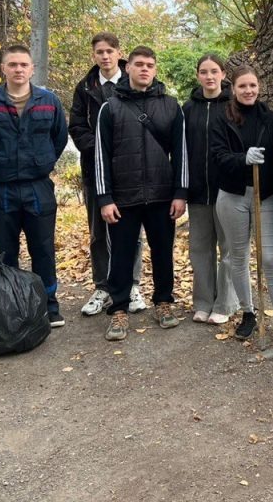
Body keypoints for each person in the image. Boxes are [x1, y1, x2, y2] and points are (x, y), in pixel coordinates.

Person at [95, 46, 188, 341]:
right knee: (121, 256)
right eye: (139, 64)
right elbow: (101, 156)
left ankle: (163, 302)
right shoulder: (110, 107)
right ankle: (119, 309)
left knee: (163, 252)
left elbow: (181, 153)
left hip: (162, 196)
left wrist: (180, 192)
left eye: (149, 65)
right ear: (129, 68)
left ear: (155, 69)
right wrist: (105, 198)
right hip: (124, 198)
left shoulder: (171, 106)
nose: (144, 69)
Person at [211, 66, 273, 352]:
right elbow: (217, 156)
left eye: (252, 85)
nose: (248, 90)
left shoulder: (271, 119)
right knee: (238, 257)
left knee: (272, 260)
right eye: (242, 86)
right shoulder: (221, 118)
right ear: (233, 88)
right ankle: (248, 313)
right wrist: (242, 159)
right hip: (232, 196)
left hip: (265, 196)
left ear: (259, 87)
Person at [0, 44, 68, 328]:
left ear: (32, 69)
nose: (18, 69)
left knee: (43, 249)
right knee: (4, 252)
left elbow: (59, 138)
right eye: (12, 64)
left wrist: (43, 161)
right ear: (3, 68)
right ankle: (11, 308)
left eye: (23, 65)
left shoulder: (49, 101)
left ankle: (48, 306)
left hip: (38, 187)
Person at [68, 32, 145, 317]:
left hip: (131, 172)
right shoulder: (84, 87)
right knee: (98, 233)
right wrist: (101, 150)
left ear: (119, 53)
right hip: (95, 171)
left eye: (109, 51)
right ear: (94, 55)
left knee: (132, 232)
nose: (105, 56)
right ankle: (103, 287)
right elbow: (77, 127)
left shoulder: (134, 82)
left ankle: (132, 285)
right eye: (99, 51)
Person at [182, 54, 238, 324]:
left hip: (228, 191)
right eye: (204, 72)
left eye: (214, 71)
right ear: (198, 76)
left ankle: (225, 303)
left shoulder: (234, 106)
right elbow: (181, 150)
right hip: (197, 192)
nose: (209, 76)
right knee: (200, 250)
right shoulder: (188, 109)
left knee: (229, 250)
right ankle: (203, 302)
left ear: (223, 74)